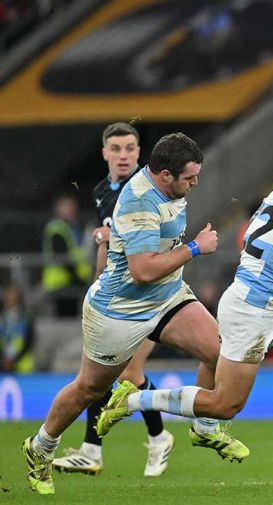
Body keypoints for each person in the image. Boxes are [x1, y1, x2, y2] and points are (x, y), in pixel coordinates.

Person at [94, 134, 273, 492]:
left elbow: (255, 243)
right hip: (252, 311)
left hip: (272, 301)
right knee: (224, 404)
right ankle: (133, 398)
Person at [22, 133, 248, 495]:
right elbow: (142, 270)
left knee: (218, 353)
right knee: (88, 389)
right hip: (120, 310)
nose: (195, 184)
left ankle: (204, 430)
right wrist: (194, 247)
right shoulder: (141, 201)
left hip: (168, 297)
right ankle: (40, 447)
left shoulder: (170, 187)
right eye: (189, 178)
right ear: (163, 175)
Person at [51, 123, 174, 478]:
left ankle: (152, 438)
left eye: (130, 148)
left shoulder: (150, 189)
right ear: (104, 153)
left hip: (154, 294)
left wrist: (115, 234)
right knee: (107, 373)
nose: (123, 155)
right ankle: (142, 440)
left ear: (139, 153)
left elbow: (162, 239)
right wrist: (97, 287)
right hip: (118, 295)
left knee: (126, 372)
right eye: (116, 149)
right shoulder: (103, 191)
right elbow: (106, 246)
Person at [42, 193, 92, 316]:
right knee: (65, 319)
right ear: (60, 210)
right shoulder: (57, 229)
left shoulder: (67, 228)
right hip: (62, 282)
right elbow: (62, 257)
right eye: (69, 208)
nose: (73, 211)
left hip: (67, 281)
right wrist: (77, 277)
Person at [1, 284, 35, 373]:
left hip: (22, 364)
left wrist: (14, 360)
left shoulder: (26, 316)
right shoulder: (2, 316)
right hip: (2, 362)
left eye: (13, 296)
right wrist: (3, 359)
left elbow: (29, 340)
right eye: (8, 296)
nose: (10, 299)